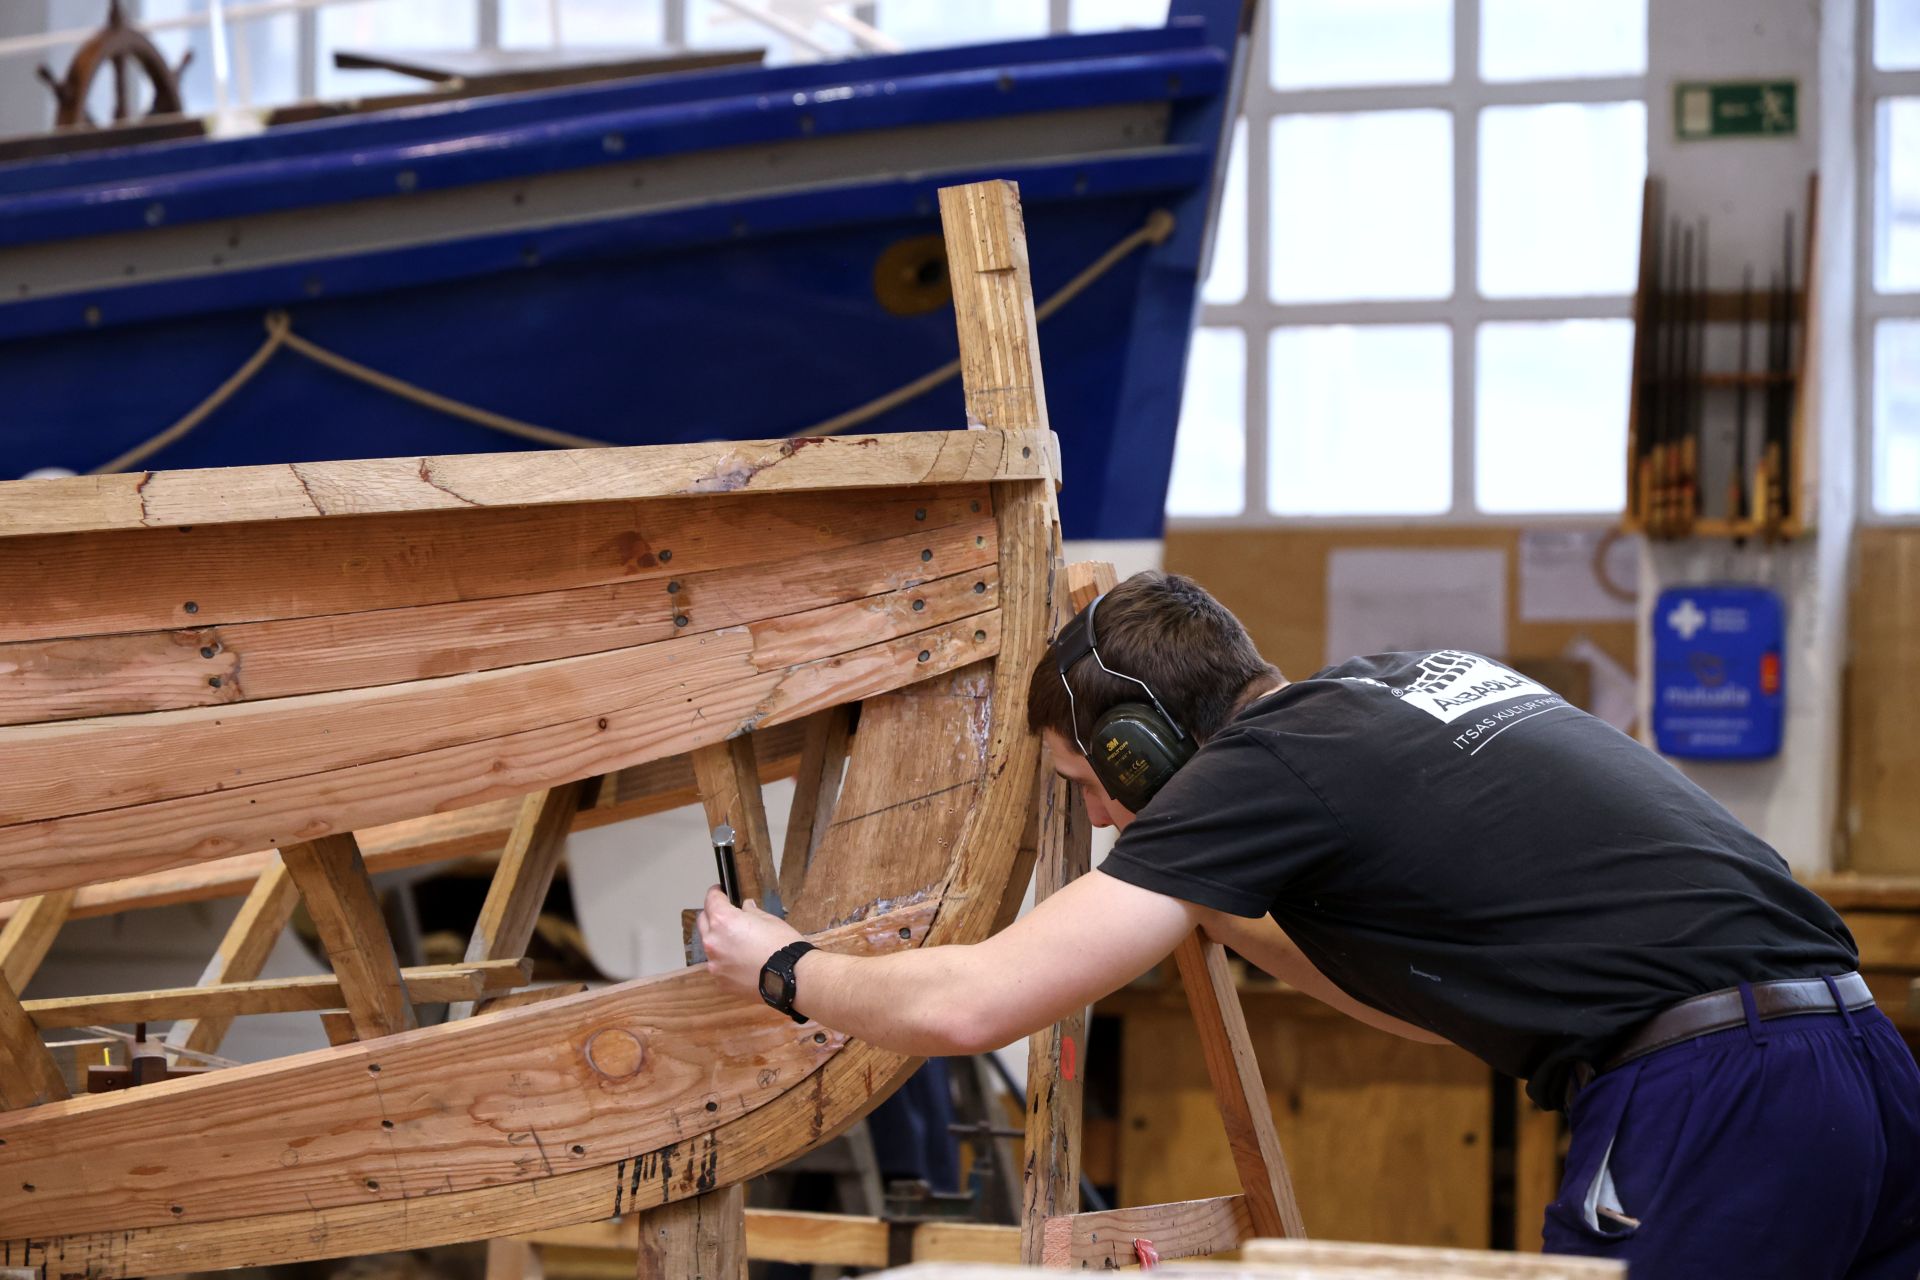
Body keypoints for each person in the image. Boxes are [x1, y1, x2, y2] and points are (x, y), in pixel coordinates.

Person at [699, 570, 1920, 1277]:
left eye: (1084, 779)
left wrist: (784, 964)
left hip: (1716, 1097)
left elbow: (973, 1003)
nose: (1098, 810)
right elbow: (1426, 1009)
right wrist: (1217, 913)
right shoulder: (1393, 690)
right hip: (1860, 1058)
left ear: (1140, 743)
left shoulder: (1265, 768)